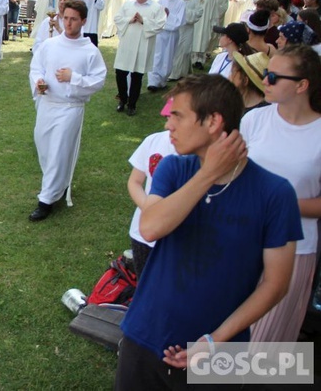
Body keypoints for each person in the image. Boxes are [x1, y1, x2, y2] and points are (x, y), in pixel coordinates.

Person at [115, 74, 302, 389]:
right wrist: (209, 174)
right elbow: (150, 227)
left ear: (213, 121)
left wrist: (215, 341)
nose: (168, 125)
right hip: (146, 334)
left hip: (219, 353)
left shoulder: (275, 194)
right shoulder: (174, 169)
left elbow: (276, 284)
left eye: (178, 116)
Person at [243, 44, 321, 343]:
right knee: (227, 333)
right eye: (265, 73)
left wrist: (278, 204)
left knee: (264, 343)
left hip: (293, 249)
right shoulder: (254, 120)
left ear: (302, 85)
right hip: (243, 239)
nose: (265, 81)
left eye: (274, 76)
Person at [27, 0, 107, 221]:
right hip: (48, 104)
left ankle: (46, 200)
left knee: (59, 150)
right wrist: (39, 81)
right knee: (43, 145)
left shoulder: (89, 51)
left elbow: (98, 80)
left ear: (83, 21)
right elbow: (36, 68)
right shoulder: (50, 45)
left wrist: (74, 78)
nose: (69, 23)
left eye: (74, 19)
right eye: (66, 18)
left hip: (70, 107)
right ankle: (57, 184)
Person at [125, 99, 176, 276]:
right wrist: (149, 209)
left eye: (176, 118)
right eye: (168, 116)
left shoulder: (200, 154)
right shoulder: (153, 141)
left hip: (175, 239)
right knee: (144, 283)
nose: (168, 125)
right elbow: (135, 182)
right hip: (142, 233)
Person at [113, 0, 167, 116]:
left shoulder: (156, 7)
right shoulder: (128, 4)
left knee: (137, 76)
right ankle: (122, 100)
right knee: (120, 73)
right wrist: (129, 20)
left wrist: (144, 21)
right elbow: (118, 18)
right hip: (127, 44)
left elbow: (161, 24)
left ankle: (132, 104)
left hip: (142, 45)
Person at [147, 0, 185, 91]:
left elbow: (180, 21)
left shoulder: (180, 2)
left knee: (167, 57)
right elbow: (154, 16)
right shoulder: (161, 1)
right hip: (160, 32)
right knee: (156, 56)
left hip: (172, 34)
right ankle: (152, 81)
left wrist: (169, 16)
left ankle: (162, 80)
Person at [168, 0, 203, 81]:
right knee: (176, 50)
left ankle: (183, 72)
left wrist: (185, 14)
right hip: (177, 28)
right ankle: (174, 73)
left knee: (185, 50)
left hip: (188, 28)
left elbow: (199, 12)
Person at [190, 0, 219, 69]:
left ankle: (200, 61)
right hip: (195, 22)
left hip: (205, 21)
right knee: (194, 39)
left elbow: (214, 10)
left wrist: (213, 23)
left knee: (203, 40)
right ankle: (192, 59)